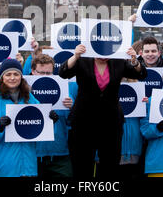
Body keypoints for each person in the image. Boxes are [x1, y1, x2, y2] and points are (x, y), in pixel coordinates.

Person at [59, 44, 147, 178]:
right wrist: (75, 56)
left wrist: (134, 60)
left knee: (110, 167)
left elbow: (140, 74)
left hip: (111, 124)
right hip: (83, 123)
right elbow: (63, 73)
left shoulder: (118, 61)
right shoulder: (83, 60)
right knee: (82, 167)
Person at [0, 58, 58, 177]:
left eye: (16, 74)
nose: (12, 78)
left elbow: (38, 130)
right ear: (1, 77)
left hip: (26, 167)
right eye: (8, 74)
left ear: (21, 77)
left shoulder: (30, 98)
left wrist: (50, 122)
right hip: (0, 168)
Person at [31, 54, 74, 177]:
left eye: (48, 73)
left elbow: (73, 123)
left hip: (60, 155)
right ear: (33, 71)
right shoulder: (24, 92)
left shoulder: (64, 92)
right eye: (42, 73)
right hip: (33, 155)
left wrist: (72, 108)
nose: (45, 76)